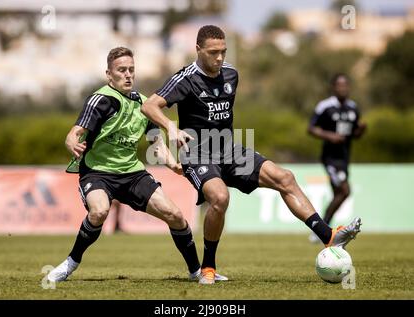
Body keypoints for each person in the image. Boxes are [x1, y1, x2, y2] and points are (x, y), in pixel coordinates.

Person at [141, 25, 362, 285]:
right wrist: (171, 127)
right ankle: (208, 267)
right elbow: (149, 105)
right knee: (220, 197)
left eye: (223, 51)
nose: (220, 58)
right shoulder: (185, 78)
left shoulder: (231, 74)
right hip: (198, 153)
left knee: (285, 178)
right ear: (198, 50)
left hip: (229, 150)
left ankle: (328, 235)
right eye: (213, 52)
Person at [47, 47, 227, 283]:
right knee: (99, 211)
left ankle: (196, 271)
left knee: (175, 215)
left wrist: (174, 165)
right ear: (109, 75)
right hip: (97, 173)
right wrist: (71, 142)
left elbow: (156, 144)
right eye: (121, 70)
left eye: (131, 70)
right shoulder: (101, 100)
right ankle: (71, 262)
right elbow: (74, 133)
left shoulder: (143, 104)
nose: (128, 75)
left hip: (133, 174)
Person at [307, 73, 367, 243]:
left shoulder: (353, 108)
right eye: (340, 85)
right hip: (330, 159)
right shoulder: (325, 106)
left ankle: (322, 231)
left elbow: (354, 134)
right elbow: (311, 128)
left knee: (338, 194)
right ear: (334, 87)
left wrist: (361, 130)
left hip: (344, 158)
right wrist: (330, 136)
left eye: (346, 85)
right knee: (345, 190)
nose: (343, 88)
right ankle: (321, 229)